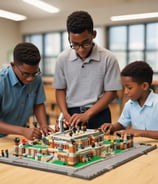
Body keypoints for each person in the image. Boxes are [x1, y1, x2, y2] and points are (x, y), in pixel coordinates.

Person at [53, 10, 122, 129]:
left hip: (99, 113)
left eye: (85, 43)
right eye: (74, 44)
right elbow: (60, 90)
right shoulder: (62, 59)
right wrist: (65, 114)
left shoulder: (108, 58)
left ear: (93, 34)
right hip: (71, 114)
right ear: (69, 38)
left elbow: (111, 93)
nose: (80, 49)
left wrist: (87, 114)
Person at [0, 42, 54, 140]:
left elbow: (38, 104)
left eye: (34, 73)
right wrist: (22, 131)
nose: (30, 79)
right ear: (13, 65)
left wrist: (43, 125)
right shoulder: (1, 81)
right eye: (25, 74)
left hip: (19, 136)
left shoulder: (36, 78)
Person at [101, 61, 158, 139]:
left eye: (129, 88)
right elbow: (122, 123)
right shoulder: (129, 104)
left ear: (144, 86)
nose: (125, 92)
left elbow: (138, 132)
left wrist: (141, 132)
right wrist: (112, 127)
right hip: (140, 146)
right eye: (124, 88)